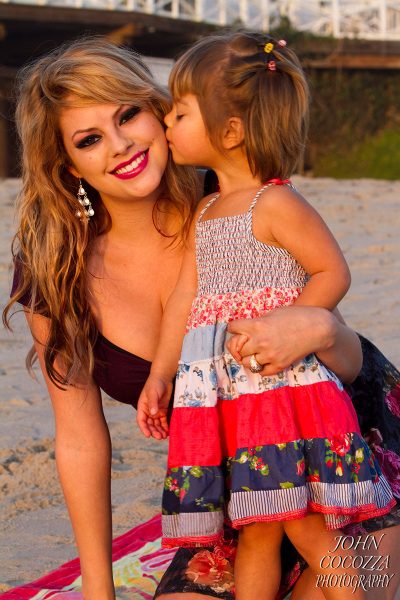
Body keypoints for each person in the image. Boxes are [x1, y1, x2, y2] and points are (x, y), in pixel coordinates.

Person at [3, 36, 398, 600]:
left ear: (158, 110)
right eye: (90, 139)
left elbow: (351, 364)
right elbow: (80, 436)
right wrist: (98, 589)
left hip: (350, 448)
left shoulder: (231, 192)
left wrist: (319, 327)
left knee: (352, 587)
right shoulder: (53, 266)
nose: (120, 145)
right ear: (69, 166)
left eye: (128, 115)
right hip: (239, 482)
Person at [136, 31, 397, 600]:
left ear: (230, 131)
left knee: (309, 526)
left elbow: (334, 272)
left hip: (285, 392)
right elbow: (185, 300)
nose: (166, 122)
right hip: (227, 399)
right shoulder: (205, 210)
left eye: (179, 112)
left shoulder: (275, 202)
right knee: (256, 528)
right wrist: (160, 378)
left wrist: (291, 324)